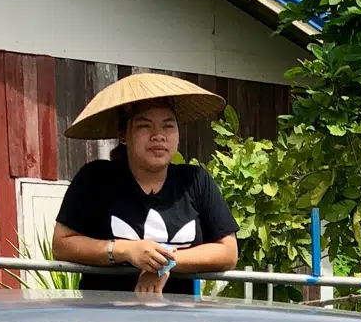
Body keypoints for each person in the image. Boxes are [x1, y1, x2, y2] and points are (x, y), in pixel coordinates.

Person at [51, 72, 239, 295]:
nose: (158, 136)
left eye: (168, 126)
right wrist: (125, 250)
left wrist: (162, 263)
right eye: (144, 126)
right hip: (104, 317)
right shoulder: (96, 179)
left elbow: (228, 252)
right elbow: (62, 245)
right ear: (123, 134)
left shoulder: (195, 181)